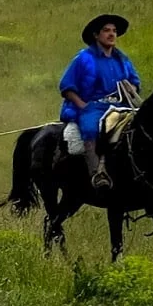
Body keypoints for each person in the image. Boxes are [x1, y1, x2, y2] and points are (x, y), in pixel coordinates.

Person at [59, 14, 140, 190]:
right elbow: (67, 86)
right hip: (93, 106)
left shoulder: (122, 59)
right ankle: (97, 172)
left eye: (114, 31)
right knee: (91, 128)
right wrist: (83, 106)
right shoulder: (83, 58)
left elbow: (134, 81)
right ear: (96, 35)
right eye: (106, 30)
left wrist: (130, 89)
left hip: (121, 105)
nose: (111, 34)